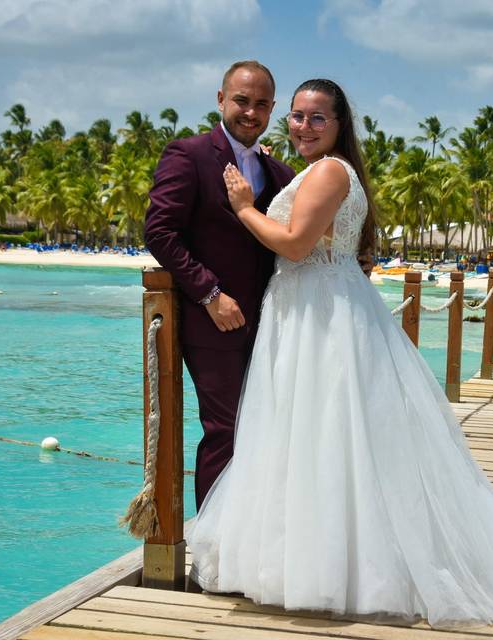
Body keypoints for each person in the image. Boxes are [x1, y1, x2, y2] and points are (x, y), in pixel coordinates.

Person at [187, 79, 493, 627]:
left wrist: (245, 207)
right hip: (316, 304)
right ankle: (313, 560)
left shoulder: (330, 171)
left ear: (340, 124)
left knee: (320, 431)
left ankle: (327, 568)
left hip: (317, 310)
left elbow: (295, 243)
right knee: (319, 434)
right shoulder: (323, 171)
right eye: (296, 116)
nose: (304, 126)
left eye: (318, 118)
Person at [144, 61, 297, 509]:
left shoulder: (281, 173)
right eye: (242, 102)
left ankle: (250, 542)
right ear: (220, 100)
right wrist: (210, 294)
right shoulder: (188, 154)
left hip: (272, 323)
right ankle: (210, 549)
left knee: (266, 429)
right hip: (213, 325)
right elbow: (160, 231)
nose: (251, 113)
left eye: (262, 105)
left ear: (272, 109)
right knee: (224, 431)